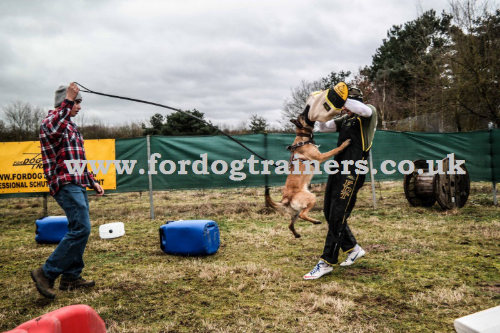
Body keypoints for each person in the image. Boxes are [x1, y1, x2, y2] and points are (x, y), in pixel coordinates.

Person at [31, 82, 104, 299]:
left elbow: (77, 160)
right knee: (82, 228)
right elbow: (55, 126)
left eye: (79, 102)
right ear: (65, 102)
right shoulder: (50, 122)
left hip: (77, 183)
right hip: (64, 183)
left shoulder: (71, 126)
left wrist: (92, 181)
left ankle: (71, 277)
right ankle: (46, 273)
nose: (79, 107)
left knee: (77, 227)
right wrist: (69, 98)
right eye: (77, 102)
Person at [303, 87, 377, 280]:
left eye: (346, 105)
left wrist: (339, 100)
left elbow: (364, 110)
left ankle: (327, 261)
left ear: (353, 101)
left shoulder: (368, 113)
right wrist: (319, 109)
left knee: (338, 214)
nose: (344, 109)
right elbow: (323, 127)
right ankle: (353, 248)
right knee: (329, 211)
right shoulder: (345, 118)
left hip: (354, 171)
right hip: (338, 167)